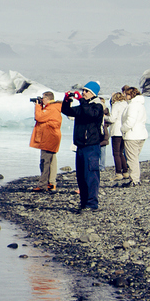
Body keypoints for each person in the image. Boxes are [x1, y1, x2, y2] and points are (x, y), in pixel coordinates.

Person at [61, 80, 105, 212]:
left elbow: (90, 114)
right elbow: (67, 111)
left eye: (86, 91)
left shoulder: (97, 106)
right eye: (83, 91)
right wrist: (67, 100)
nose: (83, 93)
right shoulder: (84, 106)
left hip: (91, 146)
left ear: (93, 93)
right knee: (81, 176)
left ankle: (92, 204)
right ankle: (84, 203)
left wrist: (82, 101)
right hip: (80, 146)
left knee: (91, 175)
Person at [29, 91, 63, 192]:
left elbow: (39, 117)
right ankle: (51, 183)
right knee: (52, 161)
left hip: (49, 137)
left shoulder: (51, 108)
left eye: (42, 98)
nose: (41, 100)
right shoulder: (53, 107)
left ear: (47, 98)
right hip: (52, 137)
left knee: (45, 161)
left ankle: (43, 184)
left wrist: (38, 106)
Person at [120, 87, 148, 186]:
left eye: (127, 94)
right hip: (141, 134)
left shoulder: (132, 106)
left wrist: (123, 129)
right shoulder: (141, 105)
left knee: (132, 159)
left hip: (132, 135)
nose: (125, 96)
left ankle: (135, 180)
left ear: (131, 95)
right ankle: (136, 179)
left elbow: (130, 121)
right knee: (135, 157)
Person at [107, 92, 129, 182]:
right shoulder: (126, 105)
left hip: (116, 131)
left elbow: (112, 118)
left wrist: (105, 117)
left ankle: (118, 173)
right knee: (121, 152)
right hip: (123, 131)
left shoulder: (116, 105)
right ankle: (125, 171)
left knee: (116, 153)